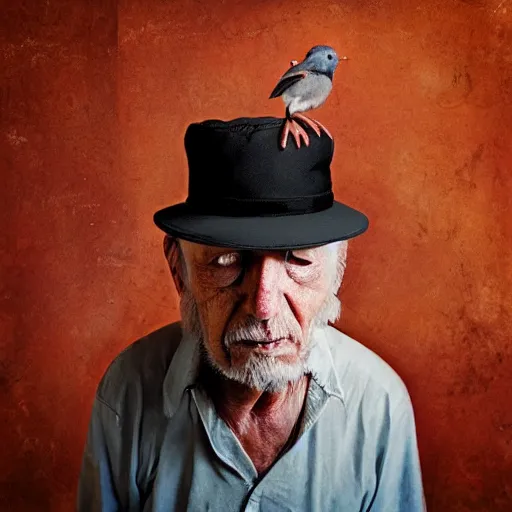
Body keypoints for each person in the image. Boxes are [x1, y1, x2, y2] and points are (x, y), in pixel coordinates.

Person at [77, 117, 425, 511]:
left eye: (298, 261)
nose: (263, 307)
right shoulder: (129, 390)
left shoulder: (377, 404)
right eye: (227, 261)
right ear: (179, 268)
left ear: (337, 270)